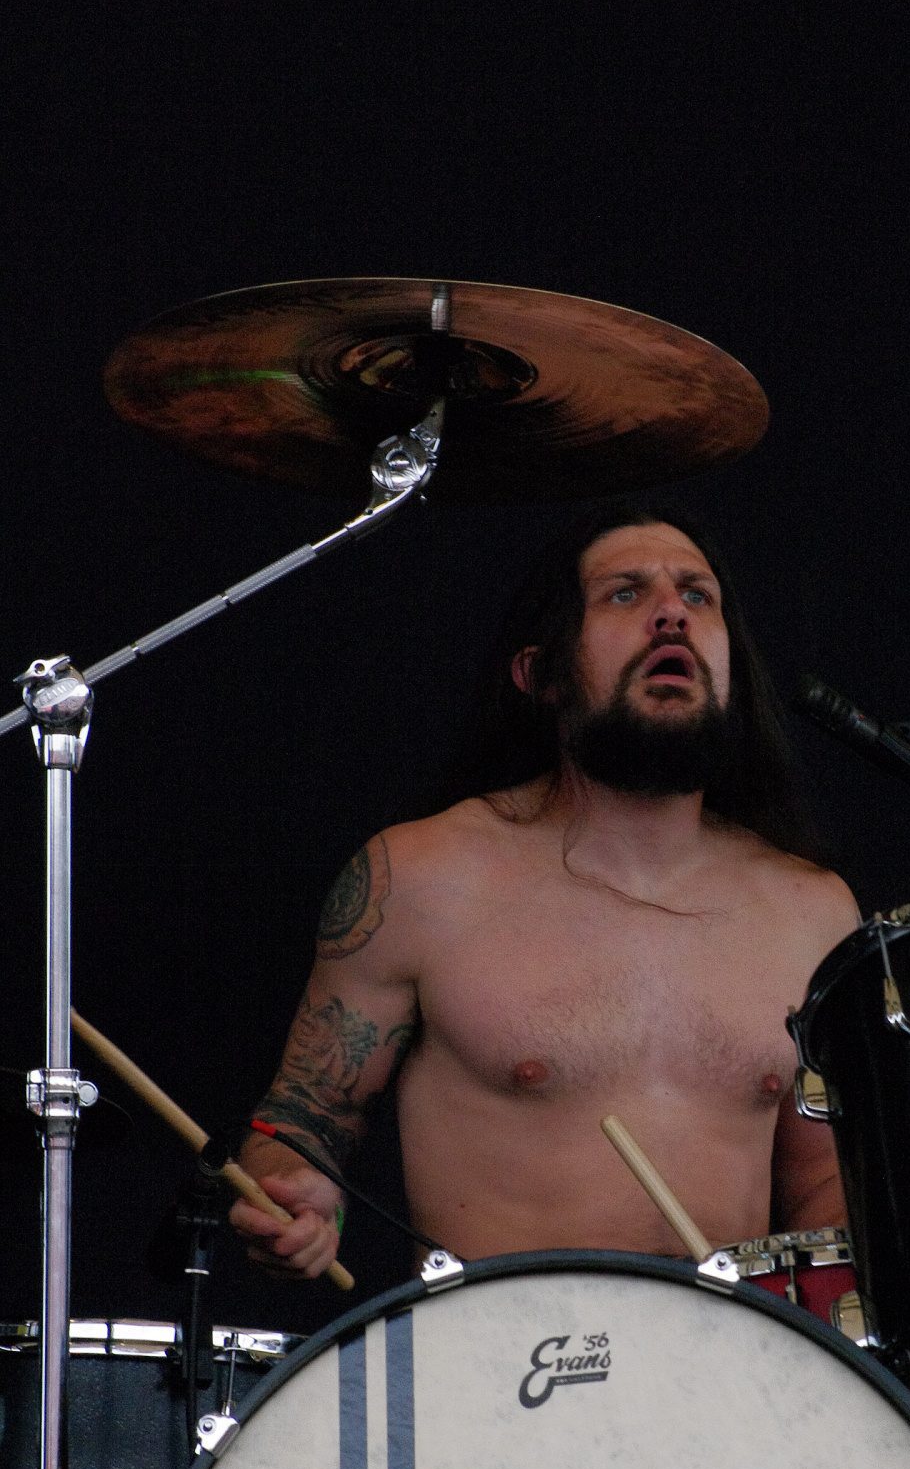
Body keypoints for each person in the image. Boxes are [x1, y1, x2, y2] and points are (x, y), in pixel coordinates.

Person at [230, 502, 860, 1277]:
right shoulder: (423, 877)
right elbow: (299, 1120)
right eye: (625, 593)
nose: (672, 614)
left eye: (698, 596)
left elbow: (826, 1184)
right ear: (542, 674)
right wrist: (291, 1193)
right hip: (505, 1347)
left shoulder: (812, 911)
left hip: (730, 1347)